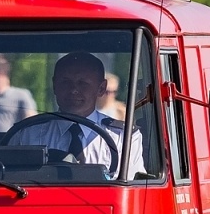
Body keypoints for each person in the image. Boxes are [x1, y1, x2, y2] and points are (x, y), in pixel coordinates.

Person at [11, 52, 146, 179]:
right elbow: (12, 182)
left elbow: (133, 191)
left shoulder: (123, 137)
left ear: (101, 89)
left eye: (83, 83)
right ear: (54, 85)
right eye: (65, 82)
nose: (73, 90)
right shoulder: (27, 134)